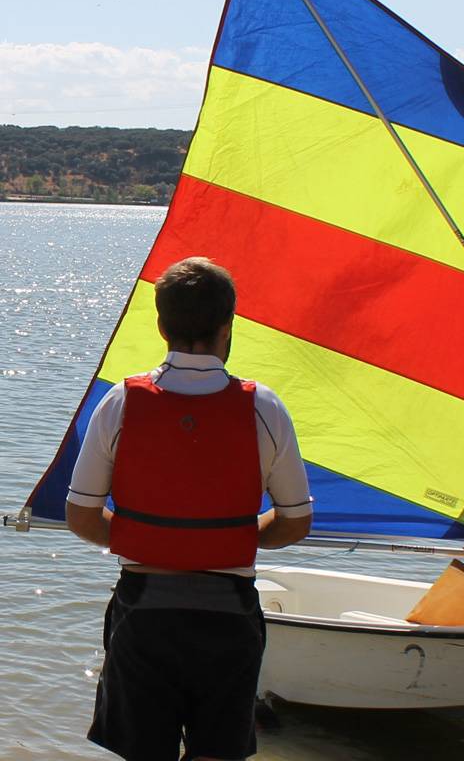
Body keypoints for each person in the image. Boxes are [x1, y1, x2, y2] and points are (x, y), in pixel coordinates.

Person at [65, 256, 313, 761]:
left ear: (161, 326)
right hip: (229, 617)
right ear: (228, 326)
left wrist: (155, 540)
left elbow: (82, 517)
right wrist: (226, 539)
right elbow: (295, 521)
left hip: (144, 614)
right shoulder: (265, 407)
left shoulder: (120, 403)